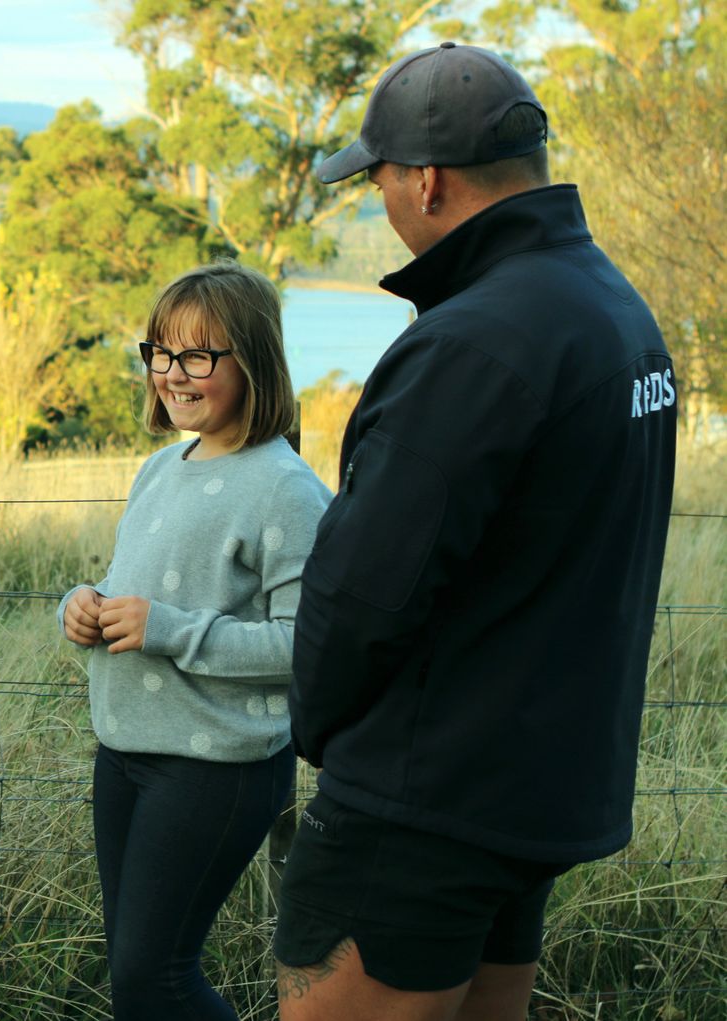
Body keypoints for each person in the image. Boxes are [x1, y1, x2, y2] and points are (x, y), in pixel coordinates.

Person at [274, 42, 677, 1021]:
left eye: (378, 182)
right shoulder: (615, 312)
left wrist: (320, 734)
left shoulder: (471, 343)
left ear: (427, 181)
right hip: (535, 791)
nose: (382, 204)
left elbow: (363, 590)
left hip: (421, 802)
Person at [58, 262, 331, 1021]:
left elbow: (306, 644)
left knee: (157, 979)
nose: (174, 374)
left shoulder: (285, 487)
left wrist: (169, 630)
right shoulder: (158, 468)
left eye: (200, 356)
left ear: (254, 360)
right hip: (128, 754)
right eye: (161, 352)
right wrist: (80, 608)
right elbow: (131, 593)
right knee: (134, 981)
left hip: (216, 766)